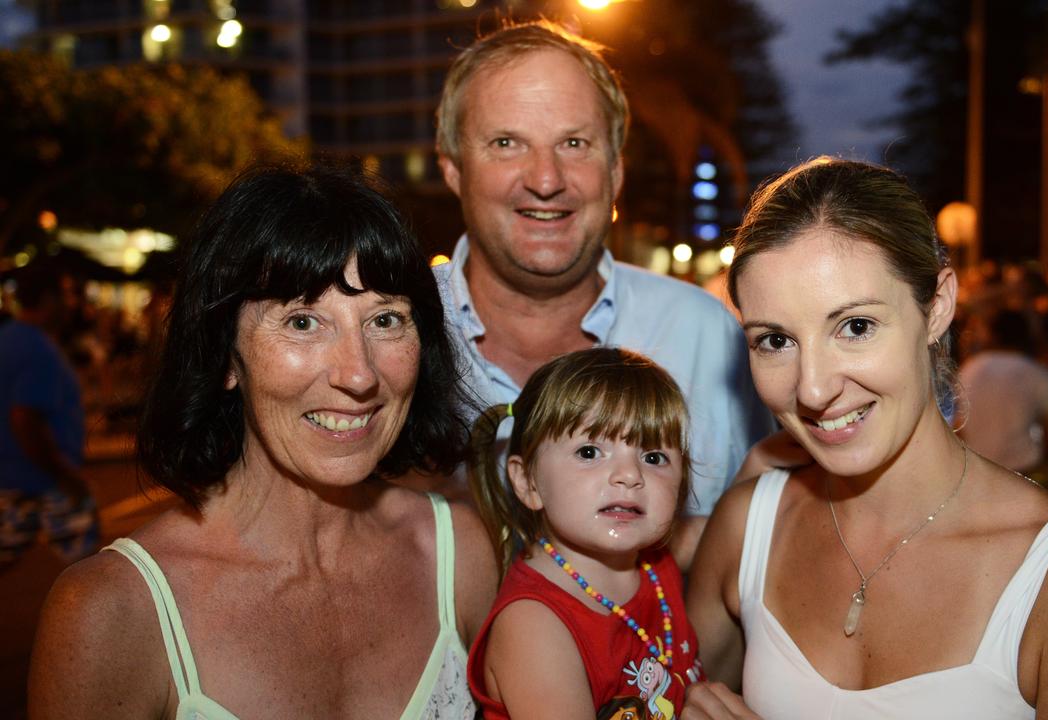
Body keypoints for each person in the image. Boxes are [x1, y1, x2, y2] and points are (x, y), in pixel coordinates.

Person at [684, 158, 1048, 719]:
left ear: (937, 306)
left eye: (855, 327)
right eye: (774, 340)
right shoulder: (748, 529)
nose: (812, 389)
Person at [28, 164, 499, 719]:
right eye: (303, 322)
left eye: (385, 320)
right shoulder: (112, 614)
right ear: (226, 355)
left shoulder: (458, 555)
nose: (358, 374)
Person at [433, 21, 772, 562]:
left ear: (615, 171)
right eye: (506, 143)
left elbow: (763, 559)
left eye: (574, 143)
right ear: (452, 167)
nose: (546, 178)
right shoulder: (390, 336)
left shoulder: (707, 341)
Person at [467, 347, 701, 718]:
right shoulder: (535, 627)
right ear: (528, 482)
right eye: (590, 452)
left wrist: (760, 468)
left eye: (653, 457)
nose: (629, 475)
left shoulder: (653, 560)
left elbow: (733, 533)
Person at [0, 261, 97, 569]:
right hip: (39, 480)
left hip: (14, 480)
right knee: (89, 573)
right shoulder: (37, 349)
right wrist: (65, 474)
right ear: (47, 299)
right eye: (66, 294)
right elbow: (25, 419)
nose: (72, 303)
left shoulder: (9, 338)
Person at [957, 309, 1048, 477]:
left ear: (993, 335)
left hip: (978, 472)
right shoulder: (1040, 374)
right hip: (1026, 474)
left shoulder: (970, 369)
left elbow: (959, 428)